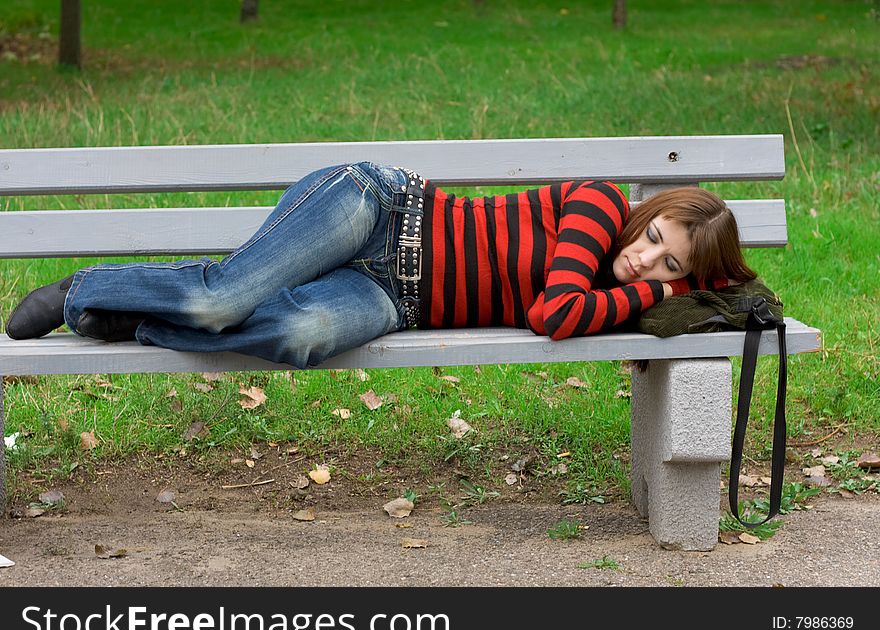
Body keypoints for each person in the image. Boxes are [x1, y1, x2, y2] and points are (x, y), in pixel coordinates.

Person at [4, 161, 756, 368]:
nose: (644, 260)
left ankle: (141, 316)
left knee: (295, 338)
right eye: (656, 234)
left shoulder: (612, 289)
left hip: (394, 299)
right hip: (379, 210)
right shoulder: (596, 204)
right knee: (221, 299)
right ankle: (85, 290)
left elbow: (566, 309)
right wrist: (652, 297)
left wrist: (687, 290)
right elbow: (553, 315)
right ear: (646, 212)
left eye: (667, 269)